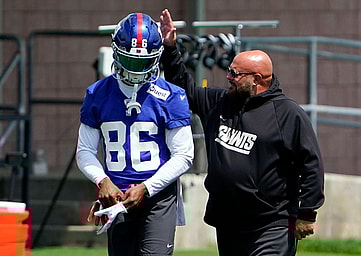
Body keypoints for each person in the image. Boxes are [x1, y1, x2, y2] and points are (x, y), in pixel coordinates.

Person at [159, 9, 325, 256]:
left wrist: (307, 212)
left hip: (272, 223)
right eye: (229, 70)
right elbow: (185, 89)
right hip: (228, 221)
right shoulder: (219, 102)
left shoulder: (288, 114)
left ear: (256, 79)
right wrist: (171, 48)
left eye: (235, 73)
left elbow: (311, 164)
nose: (228, 76)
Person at [76, 12, 194, 256]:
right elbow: (85, 150)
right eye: (129, 61)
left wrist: (147, 187)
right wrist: (102, 180)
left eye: (141, 62)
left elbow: (184, 155)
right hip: (116, 194)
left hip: (158, 195)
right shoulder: (97, 93)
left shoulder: (171, 96)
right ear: (116, 52)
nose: (135, 70)